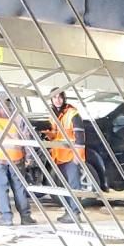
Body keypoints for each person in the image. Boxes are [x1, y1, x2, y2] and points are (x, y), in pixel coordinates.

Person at [0, 98, 35, 227]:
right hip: (16, 155)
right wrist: (29, 157)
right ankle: (26, 217)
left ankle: (6, 217)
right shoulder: (17, 112)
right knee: (19, 187)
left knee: (1, 188)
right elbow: (26, 135)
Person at [45, 88, 86, 224]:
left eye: (60, 97)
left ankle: (74, 213)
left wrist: (77, 156)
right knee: (65, 186)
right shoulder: (53, 114)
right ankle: (69, 212)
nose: (57, 100)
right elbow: (56, 134)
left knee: (74, 185)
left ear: (64, 98)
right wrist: (49, 134)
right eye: (54, 97)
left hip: (70, 156)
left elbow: (80, 137)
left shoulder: (72, 113)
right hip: (59, 155)